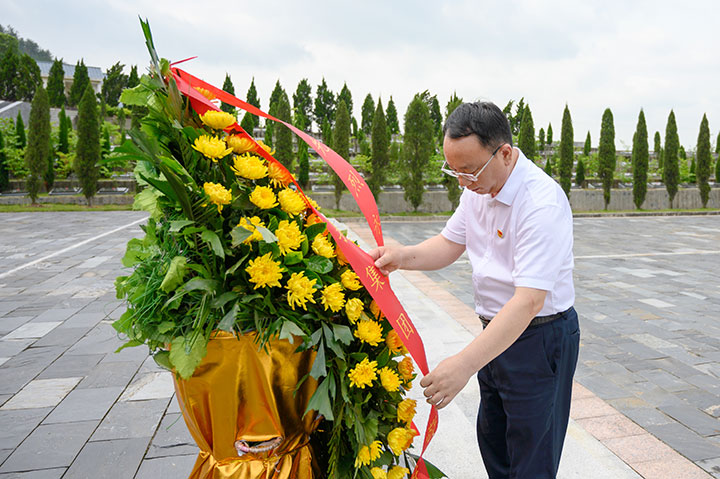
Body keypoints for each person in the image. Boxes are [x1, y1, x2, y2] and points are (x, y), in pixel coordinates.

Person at [369, 101, 580, 479]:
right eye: (455, 171)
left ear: (505, 153)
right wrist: (402, 256)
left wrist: (464, 364)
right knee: (496, 444)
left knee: (531, 457)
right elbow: (449, 244)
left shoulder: (540, 203)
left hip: (539, 338)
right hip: (496, 332)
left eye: (470, 170)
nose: (463, 182)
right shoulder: (477, 190)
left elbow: (529, 301)